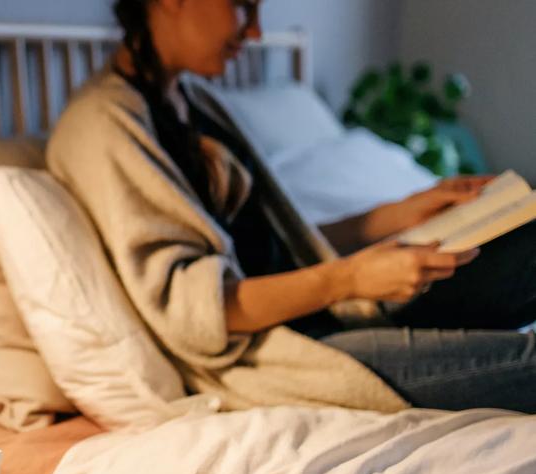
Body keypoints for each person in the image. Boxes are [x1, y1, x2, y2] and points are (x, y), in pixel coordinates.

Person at [47, 0, 536, 412]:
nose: (255, 30)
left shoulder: (190, 100)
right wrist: (347, 278)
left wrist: (400, 212)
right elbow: (195, 311)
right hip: (280, 352)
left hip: (333, 309)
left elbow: (275, 242)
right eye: (243, 5)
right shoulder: (102, 126)